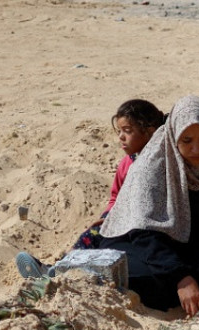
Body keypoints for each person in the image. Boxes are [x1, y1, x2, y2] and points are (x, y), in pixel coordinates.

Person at [94, 95, 199, 315]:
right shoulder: (152, 164)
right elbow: (143, 231)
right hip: (142, 243)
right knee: (144, 281)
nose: (197, 149)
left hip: (190, 244)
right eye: (187, 141)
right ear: (174, 136)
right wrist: (181, 278)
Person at [72, 99, 167, 250]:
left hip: (148, 227)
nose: (121, 137)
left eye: (128, 131)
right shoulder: (126, 164)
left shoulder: (163, 162)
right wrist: (106, 217)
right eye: (119, 131)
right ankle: (58, 267)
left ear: (150, 132)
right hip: (122, 220)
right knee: (92, 235)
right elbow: (116, 197)